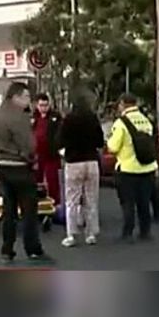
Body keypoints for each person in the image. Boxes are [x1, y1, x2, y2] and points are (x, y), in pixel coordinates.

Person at [0, 82, 51, 264]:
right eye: (25, 96)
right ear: (15, 97)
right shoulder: (20, 117)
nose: (28, 101)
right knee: (29, 211)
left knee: (9, 211)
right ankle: (33, 249)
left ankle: (7, 249)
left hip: (3, 165)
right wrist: (31, 156)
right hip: (20, 166)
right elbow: (30, 144)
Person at [107, 93, 158, 243]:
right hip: (147, 167)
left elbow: (113, 147)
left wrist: (109, 141)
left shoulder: (121, 123)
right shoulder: (146, 120)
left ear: (123, 104)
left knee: (128, 203)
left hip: (128, 169)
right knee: (144, 202)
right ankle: (145, 232)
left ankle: (128, 233)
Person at [57, 90, 104, 247]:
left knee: (72, 200)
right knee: (91, 199)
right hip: (91, 161)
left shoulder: (69, 119)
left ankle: (71, 235)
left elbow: (60, 141)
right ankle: (91, 234)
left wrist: (64, 151)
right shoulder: (93, 118)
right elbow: (100, 141)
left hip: (73, 162)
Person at [32, 93, 63, 216]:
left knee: (52, 180)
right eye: (41, 105)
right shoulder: (33, 117)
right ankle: (37, 203)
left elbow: (60, 132)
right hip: (36, 155)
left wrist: (57, 146)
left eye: (45, 105)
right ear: (37, 105)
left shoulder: (55, 117)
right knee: (36, 179)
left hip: (51, 154)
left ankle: (55, 204)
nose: (43, 108)